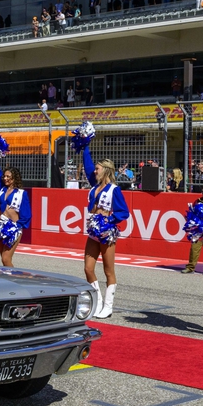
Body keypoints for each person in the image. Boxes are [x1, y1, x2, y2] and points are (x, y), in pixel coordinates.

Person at [79, 132, 130, 319]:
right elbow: (87, 166)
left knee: (109, 270)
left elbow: (124, 212)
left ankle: (108, 306)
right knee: (88, 268)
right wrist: (85, 145)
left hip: (107, 232)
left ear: (106, 171)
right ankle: (98, 302)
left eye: (98, 169)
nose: (95, 171)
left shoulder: (114, 190)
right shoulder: (94, 186)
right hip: (93, 231)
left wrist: (109, 220)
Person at [0, 142, 31, 268]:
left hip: (13, 228)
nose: (5, 178)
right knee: (3, 260)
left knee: (6, 258)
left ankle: (15, 280)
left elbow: (26, 214)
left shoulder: (21, 193)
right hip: (0, 226)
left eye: (8, 176)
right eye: (5, 176)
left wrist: (17, 226)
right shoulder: (1, 189)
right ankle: (8, 279)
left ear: (14, 179)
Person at [182, 188, 203, 274]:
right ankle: (190, 267)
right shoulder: (197, 201)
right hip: (198, 229)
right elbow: (191, 213)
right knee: (194, 248)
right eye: (202, 192)